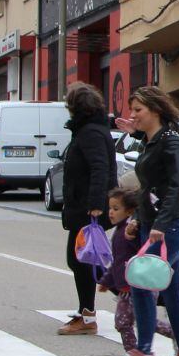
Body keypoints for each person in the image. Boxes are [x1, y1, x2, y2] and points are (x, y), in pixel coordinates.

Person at [111, 86, 179, 356]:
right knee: (171, 290)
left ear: (156, 110)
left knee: (141, 280)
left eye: (138, 110)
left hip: (172, 225)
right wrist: (138, 217)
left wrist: (159, 225)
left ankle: (144, 352)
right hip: (155, 223)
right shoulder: (153, 140)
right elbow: (147, 187)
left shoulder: (172, 143)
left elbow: (176, 188)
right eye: (132, 109)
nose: (133, 115)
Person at [57, 83, 118, 336]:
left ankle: (89, 315)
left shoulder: (90, 133)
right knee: (85, 260)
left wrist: (95, 205)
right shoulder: (90, 130)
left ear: (75, 107)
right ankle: (125, 297)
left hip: (88, 207)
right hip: (85, 205)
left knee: (81, 260)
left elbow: (99, 168)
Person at [97, 187, 174, 356]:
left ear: (130, 211)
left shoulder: (132, 230)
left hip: (138, 285)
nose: (111, 212)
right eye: (110, 208)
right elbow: (118, 262)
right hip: (125, 289)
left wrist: (134, 230)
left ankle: (176, 333)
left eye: (116, 209)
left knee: (146, 322)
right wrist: (106, 281)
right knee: (122, 322)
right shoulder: (118, 232)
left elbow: (138, 255)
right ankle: (132, 353)